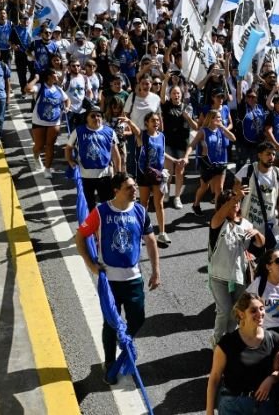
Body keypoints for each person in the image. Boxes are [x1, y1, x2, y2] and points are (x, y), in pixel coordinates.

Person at [74, 173, 161, 384]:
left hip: (134, 279)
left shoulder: (140, 211)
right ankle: (110, 363)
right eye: (129, 188)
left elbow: (150, 241)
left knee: (138, 319)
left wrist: (156, 271)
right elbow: (81, 236)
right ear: (116, 190)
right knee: (111, 324)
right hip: (110, 281)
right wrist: (90, 264)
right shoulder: (101, 212)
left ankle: (126, 346)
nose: (134, 191)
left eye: (134, 186)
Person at [205, 292, 279, 415]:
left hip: (265, 405)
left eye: (261, 309)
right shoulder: (227, 343)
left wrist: (271, 379)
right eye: (253, 311)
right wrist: (209, 411)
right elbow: (214, 378)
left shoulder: (274, 339)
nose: (260, 314)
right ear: (242, 314)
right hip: (233, 405)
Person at [208, 189, 265, 346]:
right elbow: (221, 213)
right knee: (224, 311)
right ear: (222, 205)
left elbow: (261, 243)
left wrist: (256, 233)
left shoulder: (246, 224)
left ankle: (230, 340)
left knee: (236, 312)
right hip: (218, 275)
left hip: (240, 274)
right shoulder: (217, 222)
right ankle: (217, 341)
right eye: (231, 201)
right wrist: (236, 196)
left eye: (238, 201)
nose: (236, 203)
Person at [126, 111, 180, 247]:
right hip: (144, 174)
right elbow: (136, 131)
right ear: (146, 123)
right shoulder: (142, 136)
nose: (156, 123)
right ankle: (141, 232)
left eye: (157, 120)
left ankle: (162, 233)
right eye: (153, 121)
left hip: (158, 175)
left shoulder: (161, 136)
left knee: (159, 204)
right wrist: (129, 122)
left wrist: (174, 160)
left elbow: (162, 153)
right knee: (144, 203)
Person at [65, 106, 121, 207]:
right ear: (86, 118)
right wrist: (70, 160)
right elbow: (68, 148)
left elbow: (116, 154)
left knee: (108, 205)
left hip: (105, 175)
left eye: (99, 116)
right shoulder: (78, 131)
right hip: (85, 176)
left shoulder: (109, 132)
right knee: (89, 205)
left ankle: (104, 222)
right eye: (93, 116)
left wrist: (118, 173)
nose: (96, 118)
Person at [235, 142, 279, 242]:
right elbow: (235, 190)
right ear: (259, 155)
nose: (272, 157)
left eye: (274, 154)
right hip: (247, 222)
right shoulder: (248, 170)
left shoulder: (278, 174)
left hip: (268, 223)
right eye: (268, 154)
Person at [186, 109, 237, 215]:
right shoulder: (203, 131)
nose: (220, 119)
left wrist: (222, 127)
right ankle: (196, 204)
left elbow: (233, 139)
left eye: (220, 117)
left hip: (221, 162)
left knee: (220, 189)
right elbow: (193, 144)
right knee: (205, 186)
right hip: (208, 163)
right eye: (218, 117)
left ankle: (217, 212)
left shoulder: (221, 130)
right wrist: (186, 156)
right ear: (211, 118)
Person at [25, 68, 70, 179]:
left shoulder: (59, 89)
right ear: (49, 76)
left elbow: (67, 99)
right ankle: (36, 157)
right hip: (39, 120)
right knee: (39, 146)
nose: (57, 75)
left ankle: (47, 168)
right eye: (55, 73)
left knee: (50, 145)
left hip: (54, 121)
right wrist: (35, 79)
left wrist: (67, 107)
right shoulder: (40, 87)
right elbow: (27, 89)